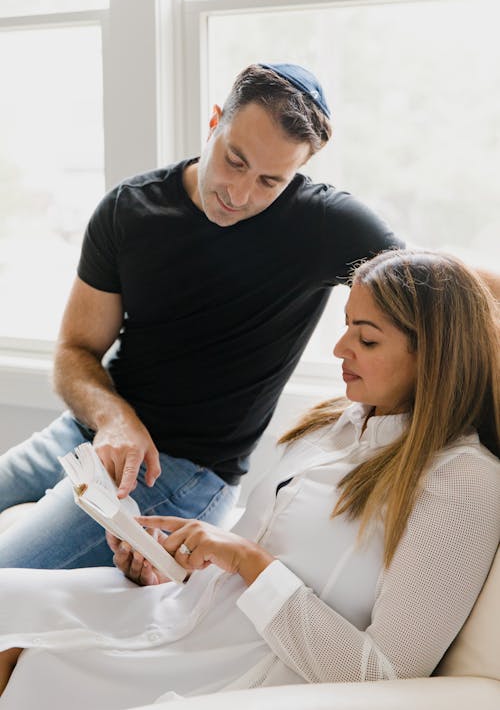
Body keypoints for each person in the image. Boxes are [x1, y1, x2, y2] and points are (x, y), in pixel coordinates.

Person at [1, 249, 499, 709]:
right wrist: (163, 562)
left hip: (245, 664)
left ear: (434, 355)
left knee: (33, 663)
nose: (340, 347)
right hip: (181, 613)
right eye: (346, 325)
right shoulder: (330, 424)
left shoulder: (461, 482)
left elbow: (385, 676)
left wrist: (246, 559)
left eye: (366, 338)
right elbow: (246, 552)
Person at [0, 62, 405, 569]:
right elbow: (73, 351)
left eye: (269, 182)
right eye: (235, 161)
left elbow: (446, 287)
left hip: (182, 471)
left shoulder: (323, 225)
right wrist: (113, 418)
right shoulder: (130, 210)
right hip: (82, 432)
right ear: (215, 120)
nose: (240, 195)